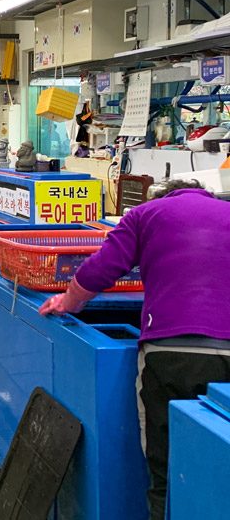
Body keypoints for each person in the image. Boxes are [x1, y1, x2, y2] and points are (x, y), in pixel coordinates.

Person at [40, 179, 230, 520]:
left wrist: (68, 302)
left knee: (165, 467)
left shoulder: (145, 214)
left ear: (162, 195)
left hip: (170, 353)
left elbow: (100, 270)